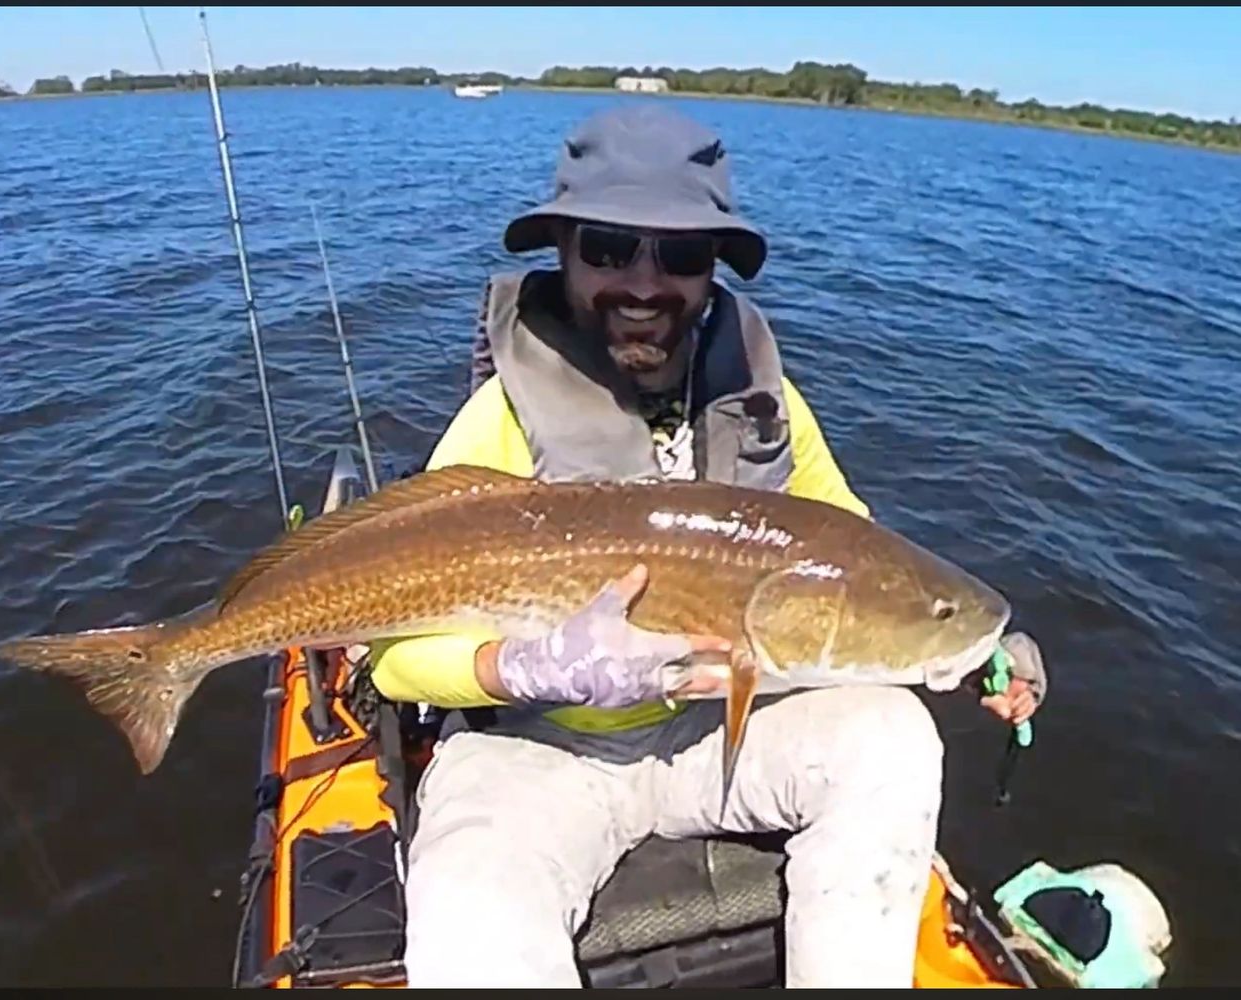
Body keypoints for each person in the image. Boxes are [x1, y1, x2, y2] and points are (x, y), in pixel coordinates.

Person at [368, 104, 1045, 988]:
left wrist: (976, 642)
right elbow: (390, 664)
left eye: (682, 255)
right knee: (472, 891)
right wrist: (522, 670)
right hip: (538, 752)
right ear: (562, 250)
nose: (643, 284)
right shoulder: (498, 419)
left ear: (712, 269)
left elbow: (862, 562)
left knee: (891, 736)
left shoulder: (764, 402)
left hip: (714, 739)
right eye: (608, 246)